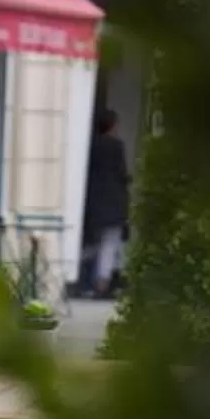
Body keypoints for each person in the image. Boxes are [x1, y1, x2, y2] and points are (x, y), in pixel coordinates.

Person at [81, 102, 131, 297]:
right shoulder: (117, 146)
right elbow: (122, 174)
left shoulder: (91, 145)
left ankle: (81, 276)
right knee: (110, 243)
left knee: (93, 242)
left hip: (94, 201)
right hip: (113, 202)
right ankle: (102, 283)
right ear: (112, 125)